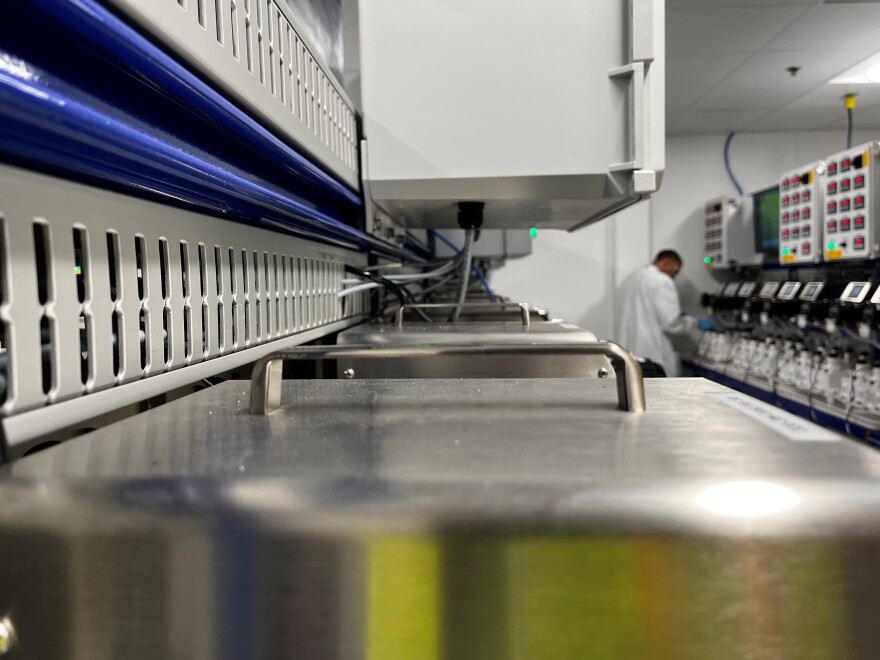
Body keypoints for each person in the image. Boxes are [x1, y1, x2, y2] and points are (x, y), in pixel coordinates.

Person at [616, 249, 712, 377]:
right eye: (675, 272)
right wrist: (693, 321)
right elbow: (672, 324)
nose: (674, 277)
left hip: (629, 350)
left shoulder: (633, 277)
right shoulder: (662, 281)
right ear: (666, 263)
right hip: (652, 354)